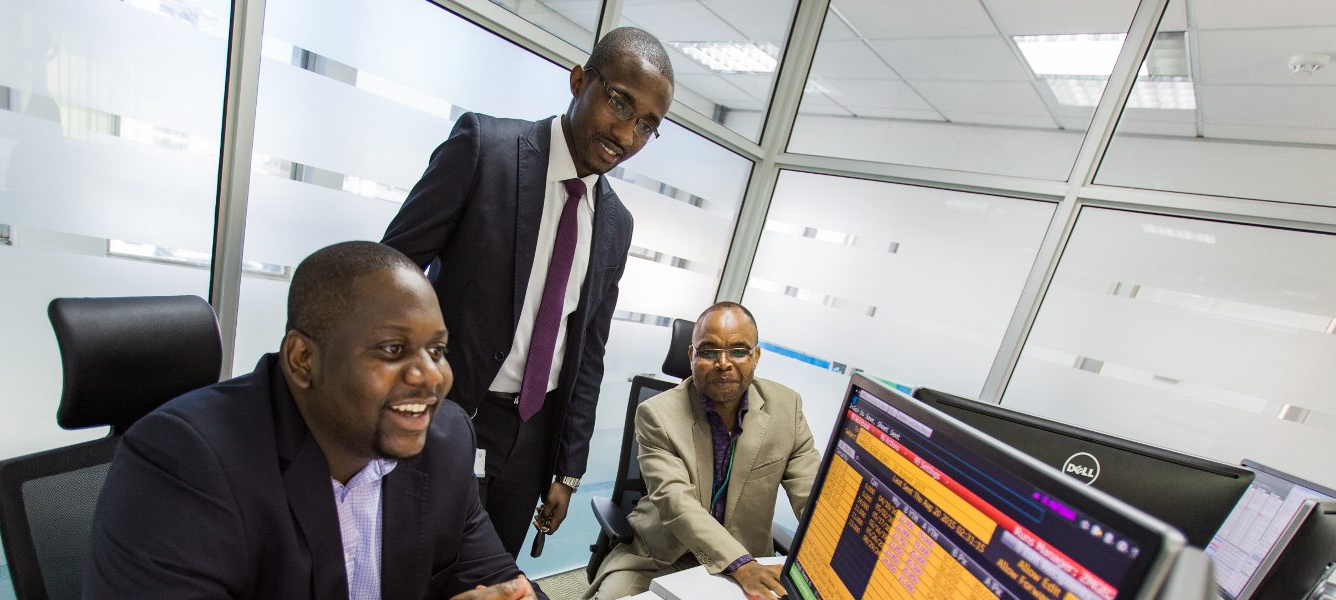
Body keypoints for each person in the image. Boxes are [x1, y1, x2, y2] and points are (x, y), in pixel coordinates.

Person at [85, 241, 542, 600]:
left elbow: (498, 579)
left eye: (437, 351)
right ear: (303, 359)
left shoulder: (445, 440)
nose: (430, 378)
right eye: (392, 350)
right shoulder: (184, 463)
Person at [380, 27, 675, 556]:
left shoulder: (615, 224)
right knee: (412, 568)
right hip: (446, 412)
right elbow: (391, 274)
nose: (627, 134)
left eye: (648, 125)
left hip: (532, 441)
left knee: (491, 578)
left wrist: (568, 469)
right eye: (619, 103)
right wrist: (393, 396)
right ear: (579, 79)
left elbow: (588, 354)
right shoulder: (484, 149)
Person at [584, 302, 822, 600]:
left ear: (756, 356)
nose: (723, 363)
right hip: (660, 558)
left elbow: (813, 497)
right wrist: (740, 564)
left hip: (748, 560)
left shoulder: (787, 407)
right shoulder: (656, 414)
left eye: (738, 351)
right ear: (691, 355)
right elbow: (675, 502)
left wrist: (835, 554)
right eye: (709, 351)